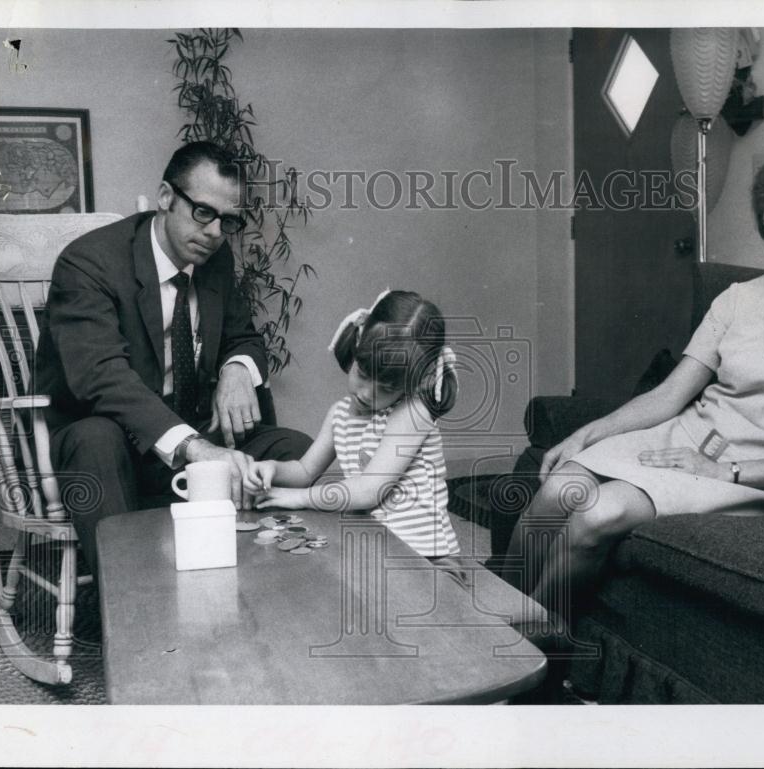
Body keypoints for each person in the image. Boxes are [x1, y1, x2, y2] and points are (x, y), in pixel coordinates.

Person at [503, 147, 764, 621]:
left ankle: (533, 656)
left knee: (597, 513)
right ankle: (491, 630)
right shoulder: (737, 298)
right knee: (559, 489)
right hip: (686, 438)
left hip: (755, 473)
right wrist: (583, 435)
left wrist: (726, 472)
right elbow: (669, 395)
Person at [37, 141, 311, 577]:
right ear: (166, 197)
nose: (215, 232)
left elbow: (243, 335)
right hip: (113, 447)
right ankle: (131, 599)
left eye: (228, 220)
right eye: (203, 212)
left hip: (188, 436)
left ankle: (257, 586)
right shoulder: (90, 262)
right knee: (95, 438)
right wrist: (196, 449)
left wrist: (237, 368)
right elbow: (101, 378)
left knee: (294, 450)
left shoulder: (215, 258)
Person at [248, 289, 463, 574]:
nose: (367, 393)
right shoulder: (339, 415)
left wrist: (297, 498)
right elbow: (304, 470)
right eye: (363, 372)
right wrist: (272, 468)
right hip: (378, 551)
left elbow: (368, 490)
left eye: (387, 388)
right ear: (357, 347)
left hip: (429, 562)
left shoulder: (413, 413)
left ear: (414, 382)